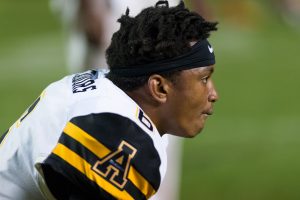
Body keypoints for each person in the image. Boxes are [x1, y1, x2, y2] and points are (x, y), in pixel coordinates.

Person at [0, 1, 219, 199]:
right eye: (204, 79)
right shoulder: (118, 136)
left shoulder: (109, 92)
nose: (213, 94)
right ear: (159, 87)